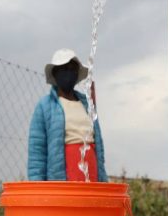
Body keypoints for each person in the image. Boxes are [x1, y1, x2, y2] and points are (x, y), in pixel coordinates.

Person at [28, 49, 108, 182]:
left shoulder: (87, 105)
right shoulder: (45, 107)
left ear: (77, 73)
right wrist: (38, 187)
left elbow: (99, 147)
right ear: (55, 73)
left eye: (72, 68)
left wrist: (103, 179)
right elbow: (37, 153)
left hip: (92, 176)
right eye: (63, 69)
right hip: (62, 181)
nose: (68, 72)